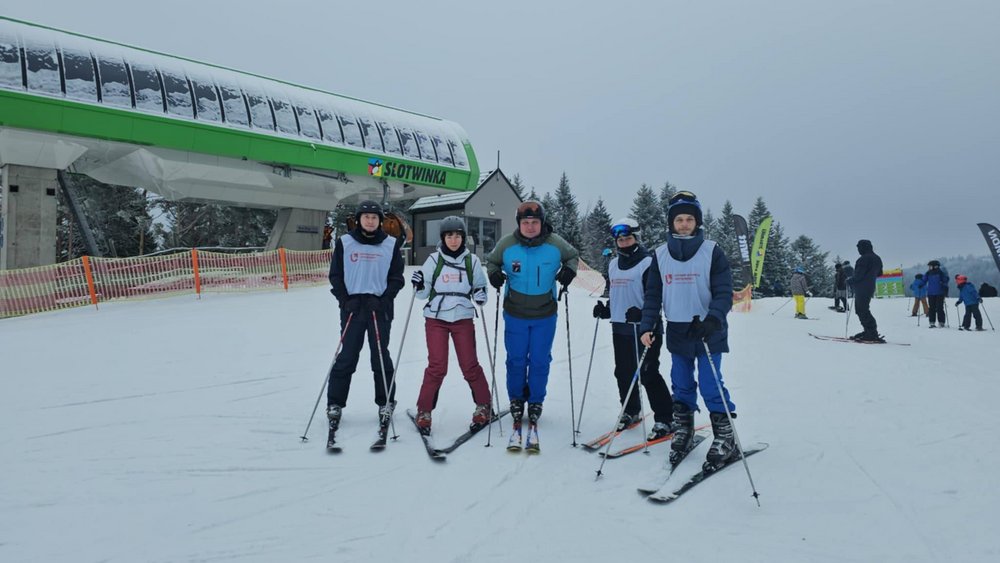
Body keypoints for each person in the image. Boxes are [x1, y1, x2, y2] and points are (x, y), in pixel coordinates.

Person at [638, 191, 737, 472]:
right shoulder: (659, 254)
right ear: (671, 223)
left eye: (689, 219)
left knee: (710, 384)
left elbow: (723, 291)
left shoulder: (712, 251)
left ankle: (725, 437)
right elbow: (653, 294)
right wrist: (648, 325)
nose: (683, 224)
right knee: (681, 383)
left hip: (707, 331)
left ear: (697, 222)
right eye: (678, 220)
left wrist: (714, 319)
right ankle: (684, 428)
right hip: (678, 330)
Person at [486, 201, 579, 449]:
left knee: (539, 359)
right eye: (525, 222)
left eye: (534, 222)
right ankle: (517, 398)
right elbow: (492, 262)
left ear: (542, 223)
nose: (529, 226)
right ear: (519, 223)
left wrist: (569, 272)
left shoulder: (555, 243)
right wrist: (493, 274)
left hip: (544, 313)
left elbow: (572, 257)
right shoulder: (507, 244)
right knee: (516, 359)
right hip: (514, 312)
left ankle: (535, 400)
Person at [325, 201, 405, 448]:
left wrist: (383, 299)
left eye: (374, 217)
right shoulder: (345, 242)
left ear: (380, 221)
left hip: (378, 308)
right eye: (365, 217)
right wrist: (344, 299)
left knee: (380, 357)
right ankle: (335, 403)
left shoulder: (391, 244)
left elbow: (396, 278)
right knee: (347, 356)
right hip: (352, 308)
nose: (370, 221)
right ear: (358, 220)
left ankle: (386, 402)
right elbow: (335, 275)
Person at [592, 218, 674, 439]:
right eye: (620, 239)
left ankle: (666, 418)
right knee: (623, 372)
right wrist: (607, 309)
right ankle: (631, 410)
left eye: (628, 238)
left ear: (636, 238)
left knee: (648, 373)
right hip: (620, 328)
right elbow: (616, 293)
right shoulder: (612, 264)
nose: (624, 242)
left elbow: (656, 296)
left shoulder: (648, 263)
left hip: (646, 328)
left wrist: (644, 314)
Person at [410, 216, 492, 435]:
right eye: (449, 236)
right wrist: (418, 284)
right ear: (443, 238)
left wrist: (481, 294)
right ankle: (424, 410)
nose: (453, 240)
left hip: (463, 317)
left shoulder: (471, 260)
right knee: (437, 366)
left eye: (457, 236)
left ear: (463, 238)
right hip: (436, 318)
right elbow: (422, 294)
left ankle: (484, 405)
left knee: (470, 365)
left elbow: (480, 287)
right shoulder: (433, 260)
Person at [850, 239, 883, 342]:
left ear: (863, 247)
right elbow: (880, 273)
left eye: (859, 248)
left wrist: (850, 280)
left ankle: (871, 332)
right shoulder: (877, 258)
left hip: (861, 287)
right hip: (870, 287)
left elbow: (858, 275)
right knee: (863, 309)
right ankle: (869, 330)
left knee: (861, 309)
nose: (858, 250)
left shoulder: (863, 259)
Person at [924, 260, 949, 328]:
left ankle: (941, 322)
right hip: (931, 293)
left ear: (935, 266)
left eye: (930, 266)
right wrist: (920, 284)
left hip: (939, 293)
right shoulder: (928, 273)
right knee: (932, 308)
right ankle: (932, 322)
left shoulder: (940, 273)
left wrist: (944, 286)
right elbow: (924, 280)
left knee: (939, 308)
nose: (929, 267)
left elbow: (945, 280)